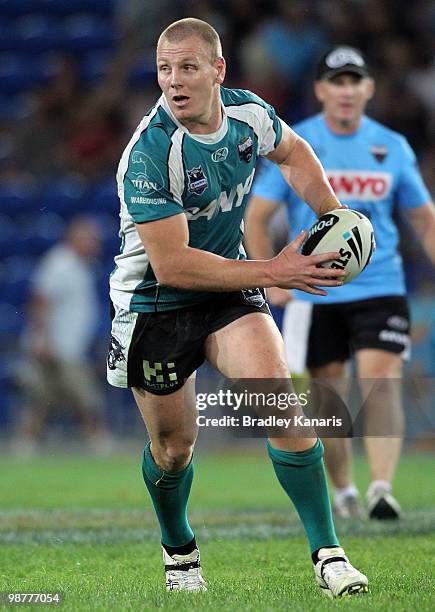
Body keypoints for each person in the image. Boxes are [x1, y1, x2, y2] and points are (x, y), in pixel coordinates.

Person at [107, 19, 368, 597]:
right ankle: (179, 551)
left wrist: (333, 214)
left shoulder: (248, 115)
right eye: (164, 70)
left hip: (229, 287)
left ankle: (329, 554)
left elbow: (295, 152)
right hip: (155, 302)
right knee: (174, 450)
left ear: (217, 71)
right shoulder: (151, 154)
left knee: (279, 402)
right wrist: (274, 271)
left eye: (188, 68)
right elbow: (175, 265)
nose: (173, 81)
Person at [245, 46, 435, 520]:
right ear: (320, 90)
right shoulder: (296, 144)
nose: (346, 91)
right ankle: (346, 491)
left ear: (368, 89)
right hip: (316, 288)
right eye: (337, 82)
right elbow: (257, 217)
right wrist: (272, 276)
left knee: (382, 377)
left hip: (381, 283)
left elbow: (424, 220)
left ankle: (382, 489)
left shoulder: (391, 147)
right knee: (328, 394)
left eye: (355, 81)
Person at [15, 216, 111, 455]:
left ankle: (27, 441)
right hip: (55, 345)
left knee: (45, 396)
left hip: (69, 345)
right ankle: (98, 439)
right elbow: (39, 301)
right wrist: (42, 339)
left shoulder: (83, 266)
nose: (95, 243)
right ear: (76, 238)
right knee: (80, 393)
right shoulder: (59, 263)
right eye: (90, 238)